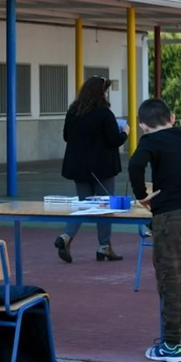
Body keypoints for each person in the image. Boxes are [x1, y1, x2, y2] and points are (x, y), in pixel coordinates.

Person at [128, 98, 181, 362]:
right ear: (172, 118)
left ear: (143, 126)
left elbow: (134, 166)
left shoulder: (150, 142)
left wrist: (143, 195)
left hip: (170, 218)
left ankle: (172, 345)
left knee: (171, 280)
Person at [55, 75, 129, 263]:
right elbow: (114, 140)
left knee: (83, 205)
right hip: (102, 168)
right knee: (105, 206)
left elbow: (66, 136)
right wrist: (125, 132)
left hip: (78, 168)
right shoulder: (104, 114)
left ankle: (66, 236)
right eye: (105, 90)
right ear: (100, 93)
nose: (106, 94)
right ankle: (104, 246)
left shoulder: (73, 112)